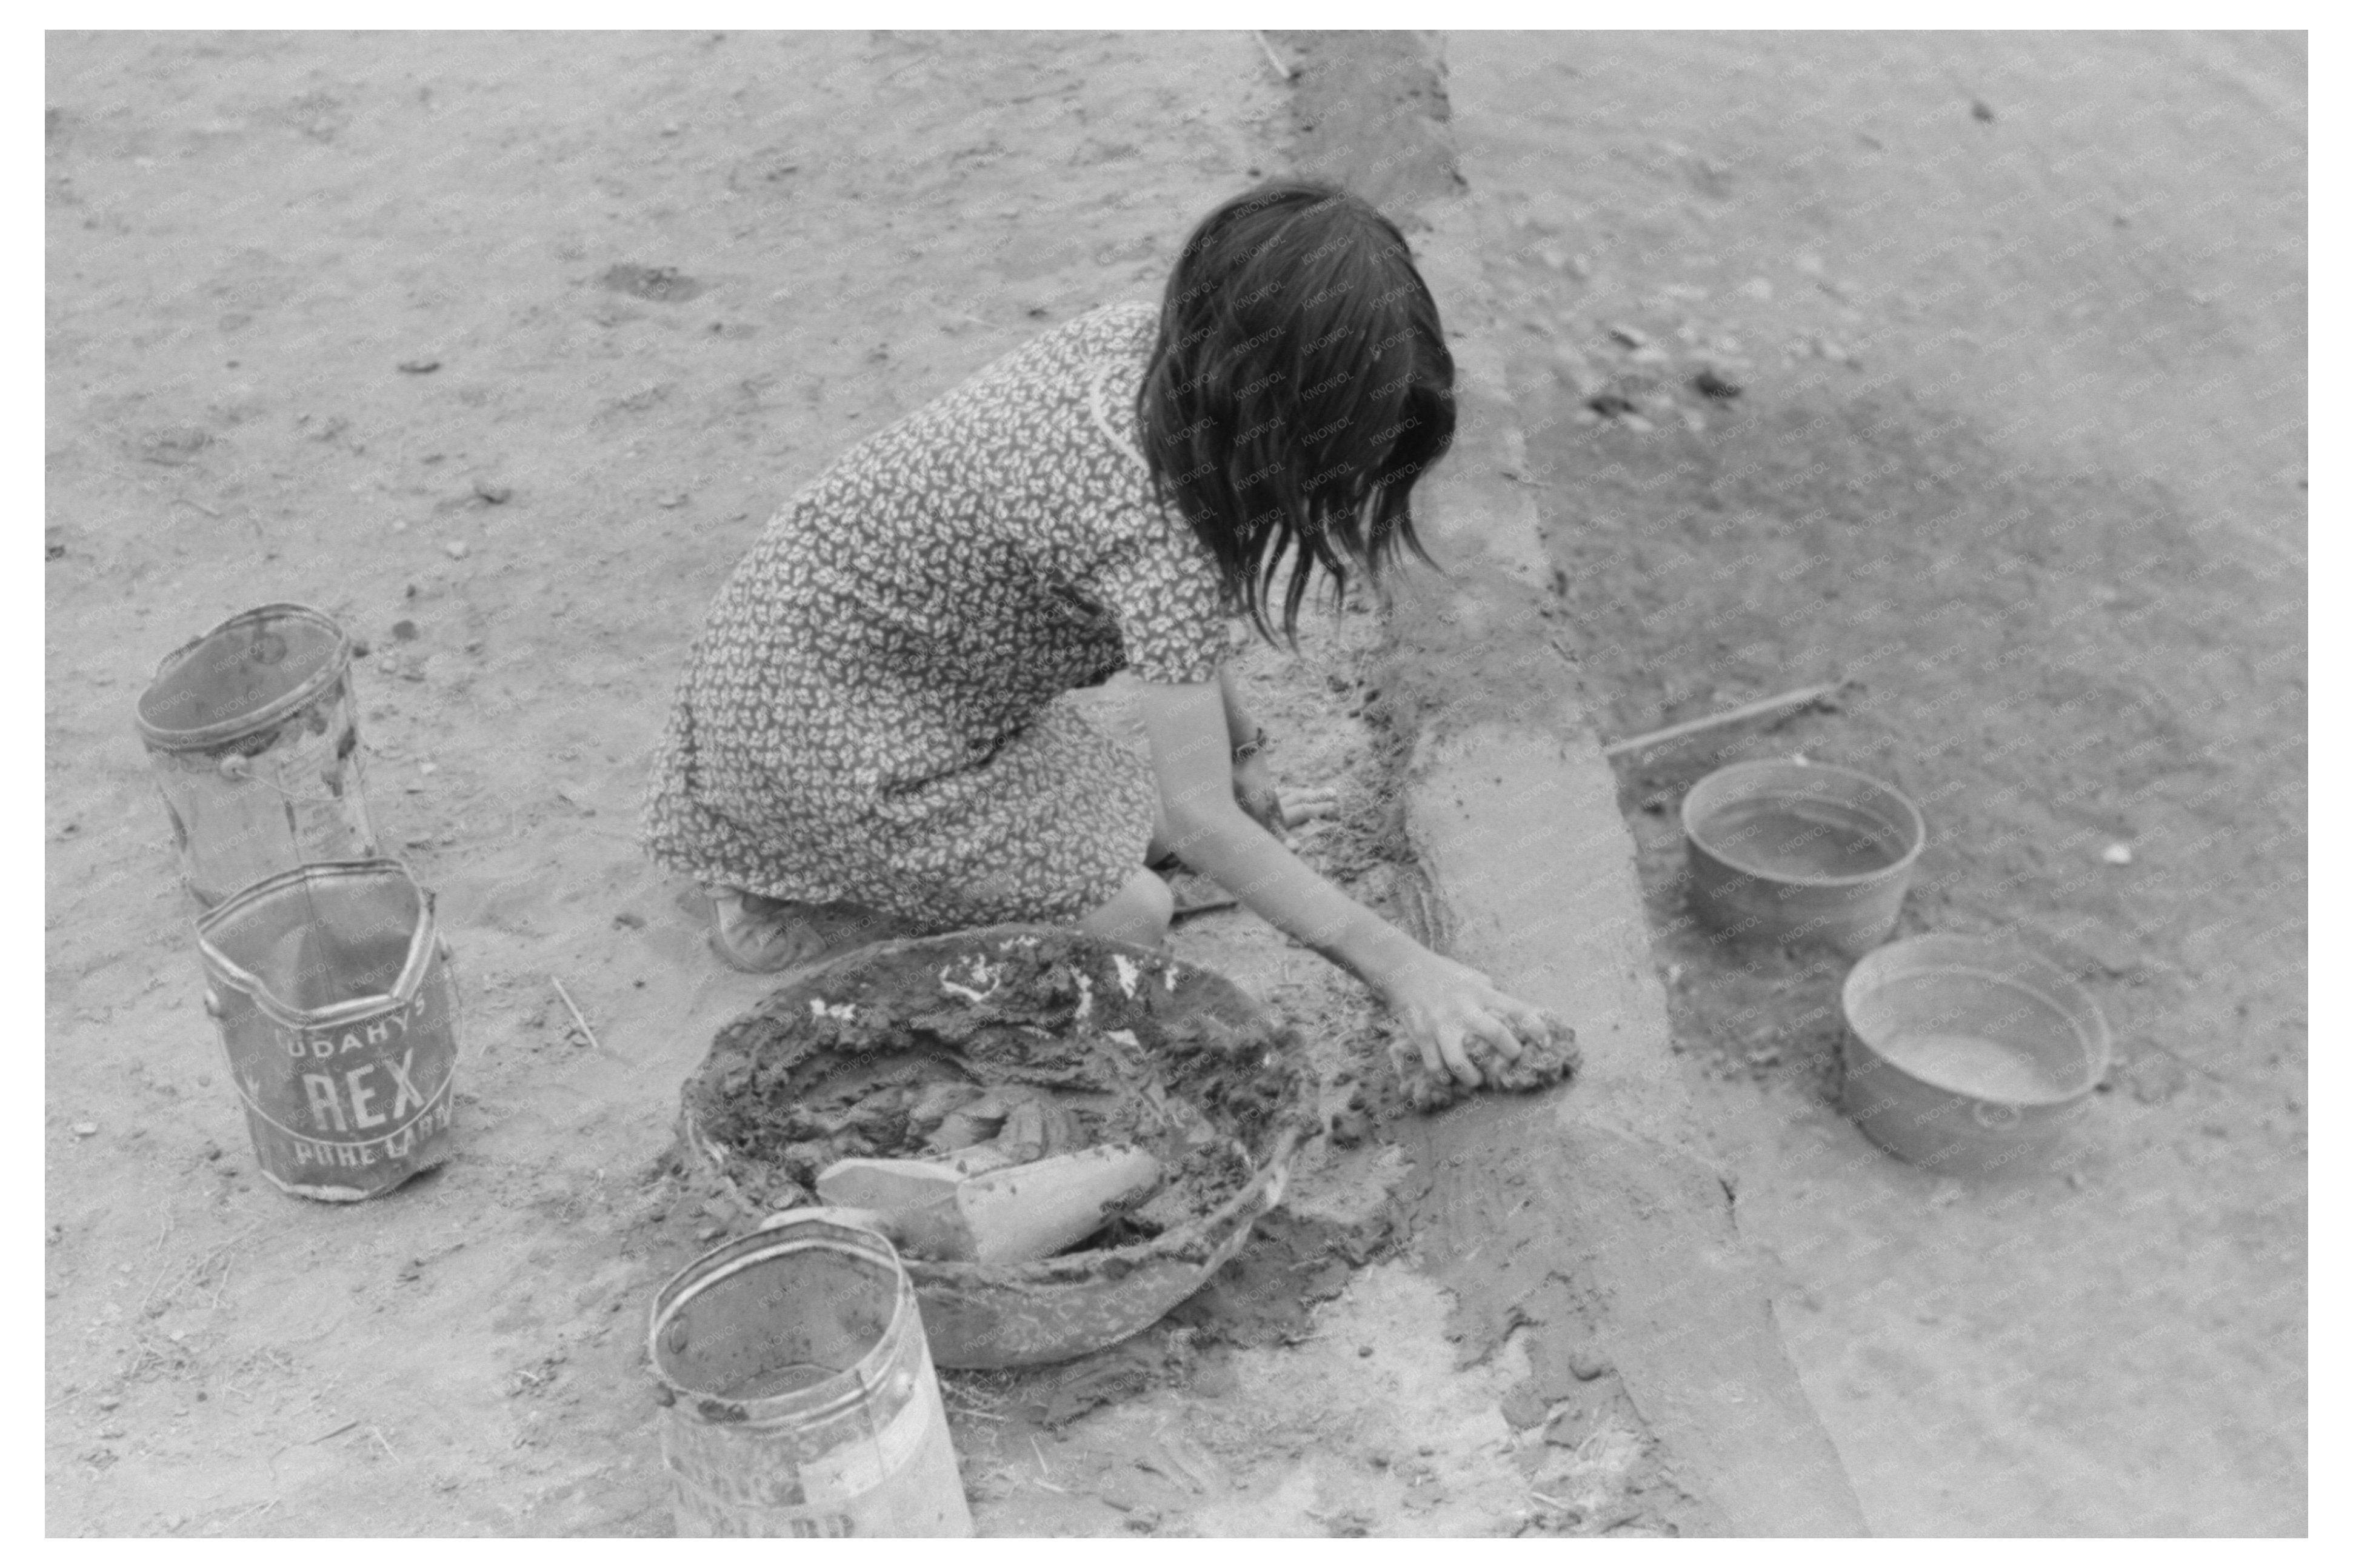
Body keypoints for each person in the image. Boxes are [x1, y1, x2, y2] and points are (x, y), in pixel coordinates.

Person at [642, 181, 1554, 1090]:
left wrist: (1244, 751)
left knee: (1160, 821)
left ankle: (812, 858)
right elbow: (1201, 817)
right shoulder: (1150, 528)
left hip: (808, 652)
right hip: (836, 740)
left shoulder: (1149, 354)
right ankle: (790, 889)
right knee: (1134, 915)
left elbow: (1183, 657)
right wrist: (1409, 972)